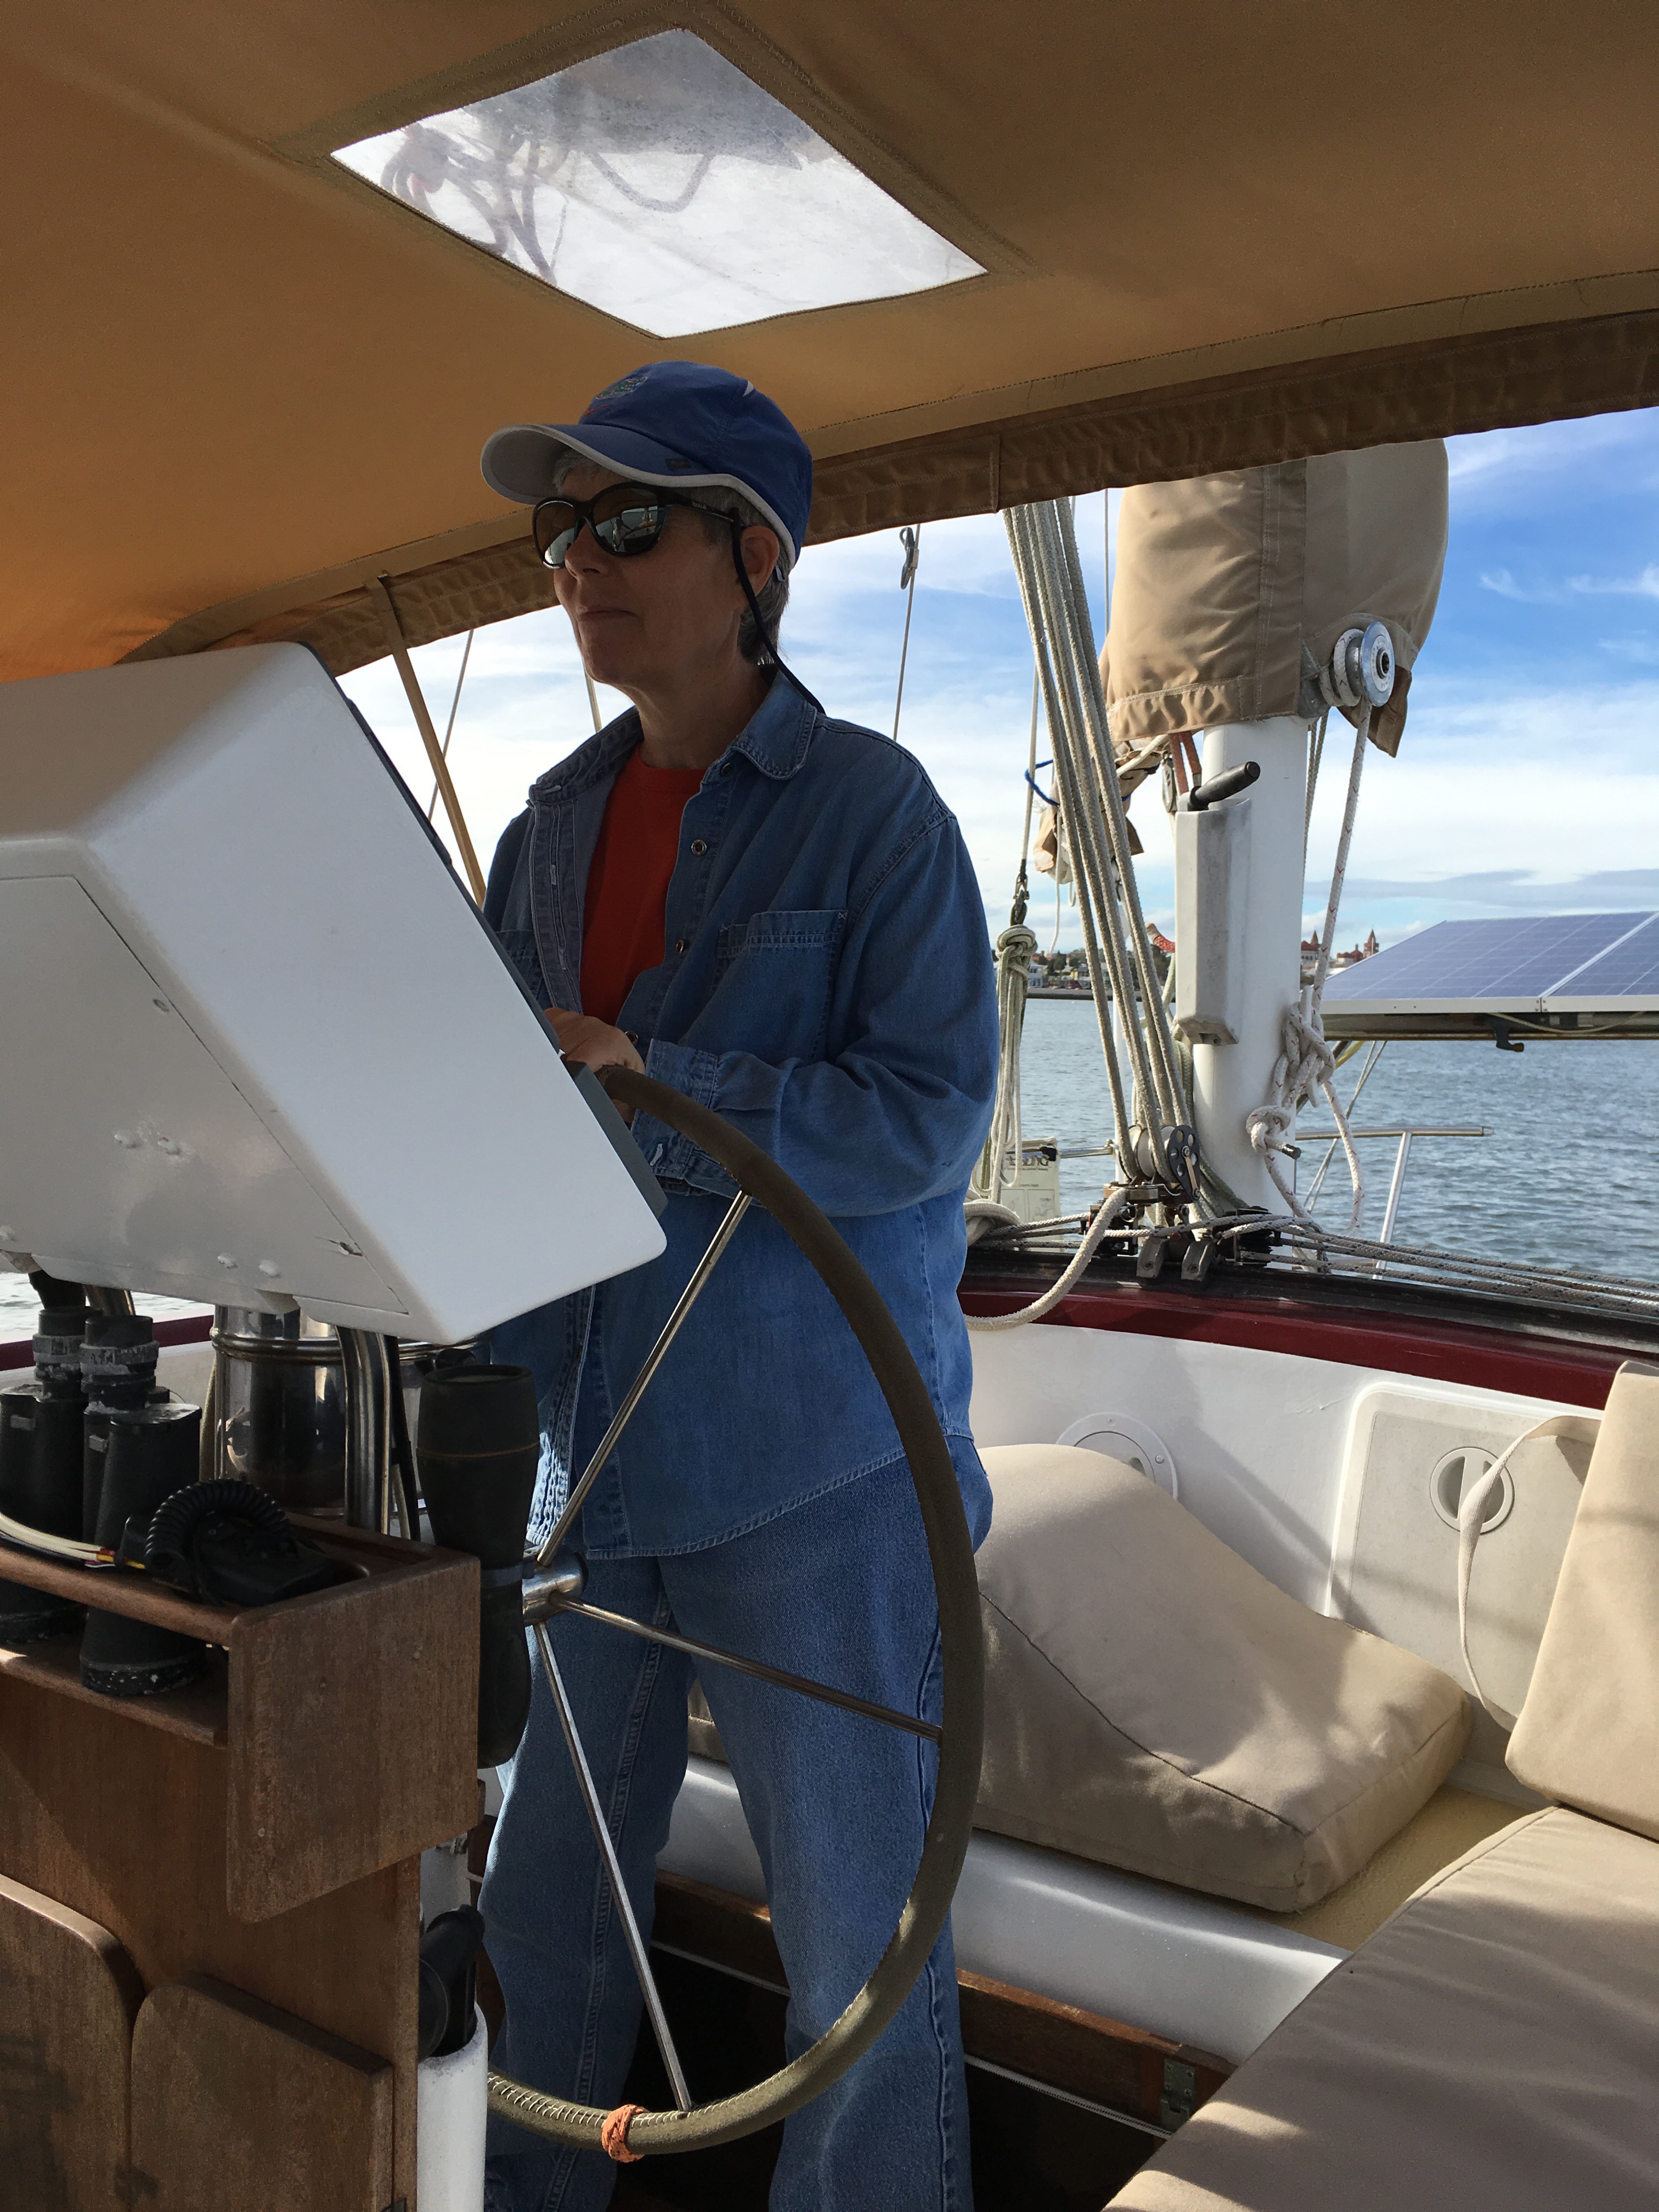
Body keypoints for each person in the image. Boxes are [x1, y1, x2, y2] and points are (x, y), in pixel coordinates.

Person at [476, 361, 997, 2212]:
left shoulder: (878, 816)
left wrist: (656, 1082)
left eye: (629, 523)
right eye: (563, 531)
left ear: (756, 557)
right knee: (539, 1920)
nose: (580, 564)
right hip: (589, 1463)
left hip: (819, 1477)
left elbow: (926, 1121)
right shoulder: (542, 831)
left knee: (861, 1964)